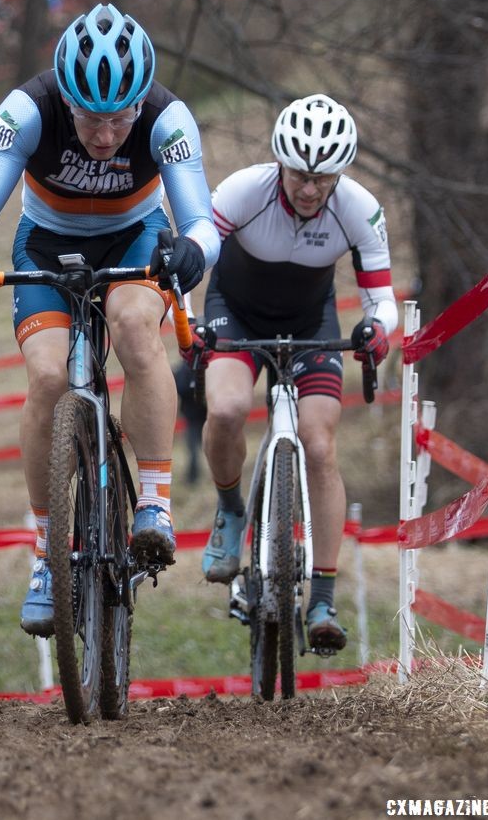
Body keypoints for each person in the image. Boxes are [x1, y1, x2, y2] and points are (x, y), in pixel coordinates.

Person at [0, 3, 220, 637]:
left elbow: (200, 219)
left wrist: (195, 249)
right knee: (46, 380)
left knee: (132, 329)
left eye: (120, 118)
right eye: (92, 118)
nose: (105, 133)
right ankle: (46, 552)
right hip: (45, 243)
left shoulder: (168, 118)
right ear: (66, 101)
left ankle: (152, 503)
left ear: (140, 103)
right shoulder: (26, 110)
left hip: (136, 237)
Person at [190, 93, 396, 652]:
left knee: (320, 444)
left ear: (338, 175)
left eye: (322, 178)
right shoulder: (242, 191)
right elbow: (192, 261)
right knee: (228, 409)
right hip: (235, 311)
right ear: (280, 163)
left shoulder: (358, 207)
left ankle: (323, 598)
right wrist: (188, 322)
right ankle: (231, 512)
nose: (309, 189)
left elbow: (383, 300)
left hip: (311, 323)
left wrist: (376, 334)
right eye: (300, 175)